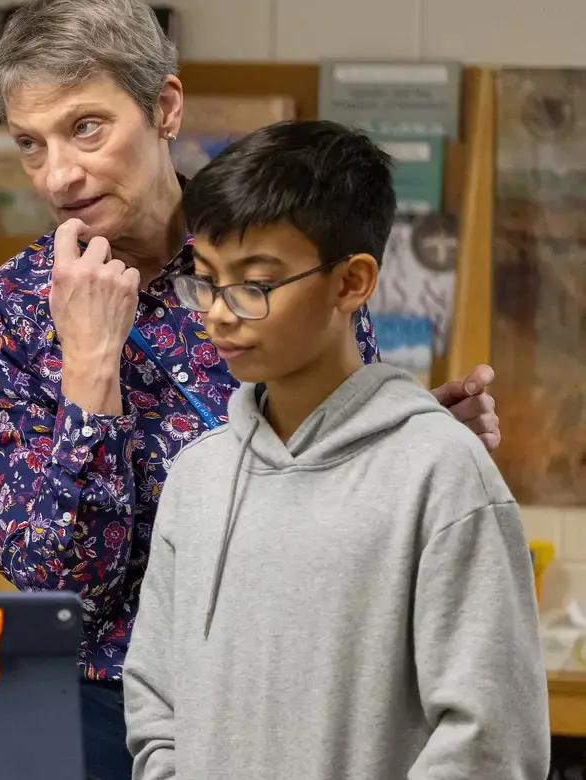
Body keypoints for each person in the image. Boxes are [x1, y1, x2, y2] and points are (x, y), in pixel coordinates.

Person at [0, 1, 502, 777]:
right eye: (29, 145)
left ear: (165, 107)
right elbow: (62, 585)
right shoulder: (4, 318)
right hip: (103, 705)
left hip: (303, 676)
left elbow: (327, 459)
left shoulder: (282, 245)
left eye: (86, 128)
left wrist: (405, 441)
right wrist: (89, 371)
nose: (60, 174)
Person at [124, 119, 548, 780]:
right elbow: (154, 702)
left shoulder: (440, 474)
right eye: (205, 280)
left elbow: (489, 739)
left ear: (351, 283)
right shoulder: (199, 478)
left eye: (254, 285)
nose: (218, 314)